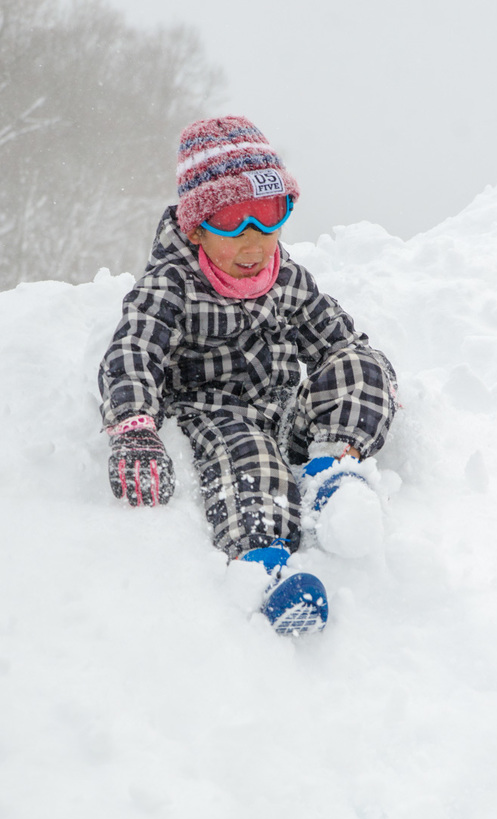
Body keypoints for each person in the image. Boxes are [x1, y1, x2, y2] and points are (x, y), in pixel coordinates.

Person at [98, 116, 397, 634]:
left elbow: (335, 342)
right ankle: (264, 568)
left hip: (286, 414)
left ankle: (332, 473)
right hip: (218, 418)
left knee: (362, 362)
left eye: (269, 217)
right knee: (250, 460)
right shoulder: (171, 285)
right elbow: (132, 349)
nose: (254, 242)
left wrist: (360, 386)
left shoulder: (286, 278)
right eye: (234, 222)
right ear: (196, 227)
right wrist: (134, 426)